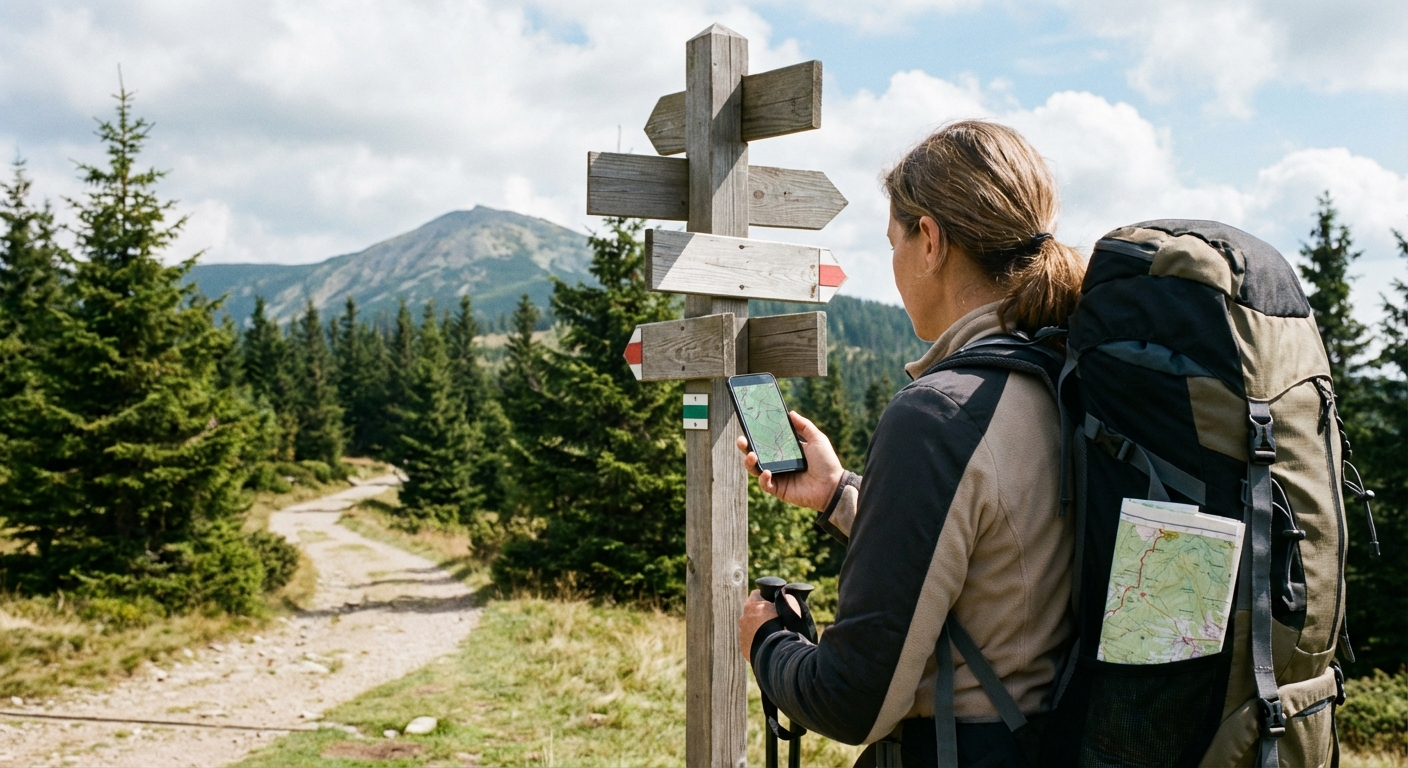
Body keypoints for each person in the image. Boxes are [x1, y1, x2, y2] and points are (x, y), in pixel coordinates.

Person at [736, 120, 1087, 767]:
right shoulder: (1063, 378)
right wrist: (839, 493)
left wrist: (767, 640)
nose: (893, 263)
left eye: (892, 240)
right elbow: (995, 548)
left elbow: (851, 700)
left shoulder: (940, 415)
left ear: (929, 240)